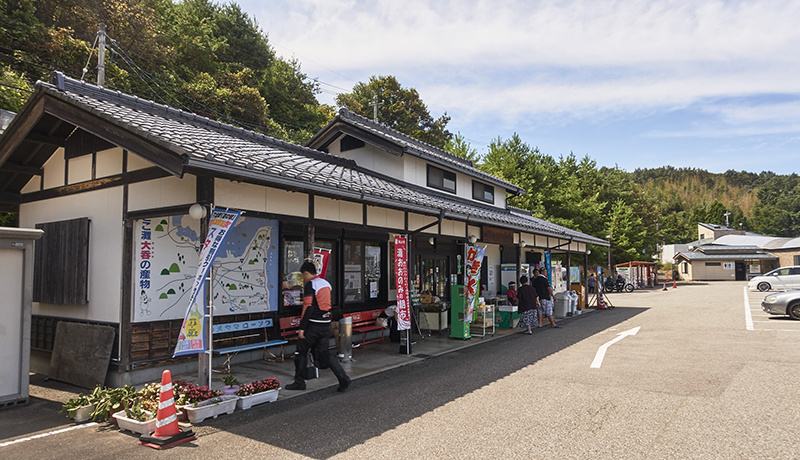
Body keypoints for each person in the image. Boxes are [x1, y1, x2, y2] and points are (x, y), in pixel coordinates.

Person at [286, 261, 351, 392]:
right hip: (326, 324)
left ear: (306, 273)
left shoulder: (311, 284)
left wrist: (302, 327)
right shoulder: (326, 283)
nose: (303, 279)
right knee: (325, 353)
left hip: (313, 325)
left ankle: (299, 382)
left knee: (300, 352)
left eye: (303, 276)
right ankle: (343, 378)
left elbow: (308, 306)